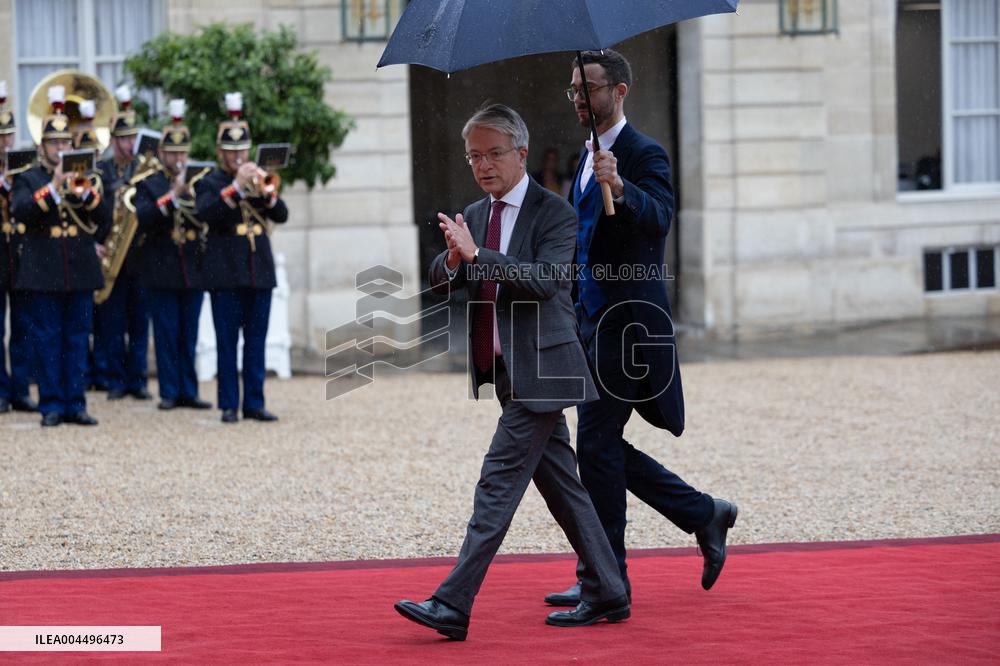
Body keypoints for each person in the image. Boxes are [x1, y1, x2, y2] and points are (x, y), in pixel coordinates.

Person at [394, 104, 629, 642]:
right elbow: (444, 277)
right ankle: (610, 589)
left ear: (521, 154)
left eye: (494, 153)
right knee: (565, 489)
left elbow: (545, 281)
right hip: (503, 372)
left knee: (496, 485)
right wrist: (454, 261)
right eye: (474, 155)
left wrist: (479, 256)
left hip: (545, 370)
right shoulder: (475, 213)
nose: (482, 164)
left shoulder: (555, 212)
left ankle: (453, 603)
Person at [545, 50, 737, 607]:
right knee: (599, 448)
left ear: (620, 91)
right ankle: (700, 515)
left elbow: (661, 218)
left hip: (630, 327)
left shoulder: (641, 152)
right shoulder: (585, 154)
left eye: (589, 88)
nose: (580, 97)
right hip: (589, 323)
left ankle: (607, 582)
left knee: (596, 444)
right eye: (574, 90)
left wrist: (624, 189)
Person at [11, 85, 111, 426]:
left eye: (65, 143)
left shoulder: (86, 178)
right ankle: (51, 404)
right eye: (55, 143)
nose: (61, 149)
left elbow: (105, 218)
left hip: (80, 266)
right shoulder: (29, 177)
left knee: (77, 338)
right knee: (47, 338)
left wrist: (84, 194)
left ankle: (76, 403)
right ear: (43, 147)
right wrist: (54, 187)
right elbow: (22, 211)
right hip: (43, 267)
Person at [194, 92, 287, 424]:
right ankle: (229, 405)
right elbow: (207, 213)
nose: (238, 156)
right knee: (227, 342)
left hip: (257, 270)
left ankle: (255, 403)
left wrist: (265, 191)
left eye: (242, 151)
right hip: (224, 272)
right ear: (221, 153)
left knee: (256, 342)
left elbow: (282, 214)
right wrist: (235, 185)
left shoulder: (260, 179)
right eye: (231, 151)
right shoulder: (210, 181)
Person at [134, 99, 211, 412]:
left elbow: (208, 216)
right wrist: (172, 196)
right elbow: (145, 217)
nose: (178, 159)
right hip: (162, 265)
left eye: (182, 153)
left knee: (188, 334)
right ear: (162, 154)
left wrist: (191, 195)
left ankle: (189, 391)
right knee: (166, 333)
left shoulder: (199, 182)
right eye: (172, 153)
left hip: (191, 265)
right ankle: (169, 390)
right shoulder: (149, 183)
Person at [96, 84, 151, 401]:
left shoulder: (143, 170)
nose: (129, 145)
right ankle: (115, 380)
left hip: (139, 256)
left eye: (132, 138)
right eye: (123, 139)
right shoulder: (101, 170)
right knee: (113, 324)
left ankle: (138, 380)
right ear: (113, 140)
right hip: (112, 254)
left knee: (139, 323)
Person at [0, 80, 37, 414]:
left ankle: (21, 388)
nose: (5, 142)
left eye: (8, 135)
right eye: (1, 137)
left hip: (20, 254)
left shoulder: (24, 168)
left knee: (23, 326)